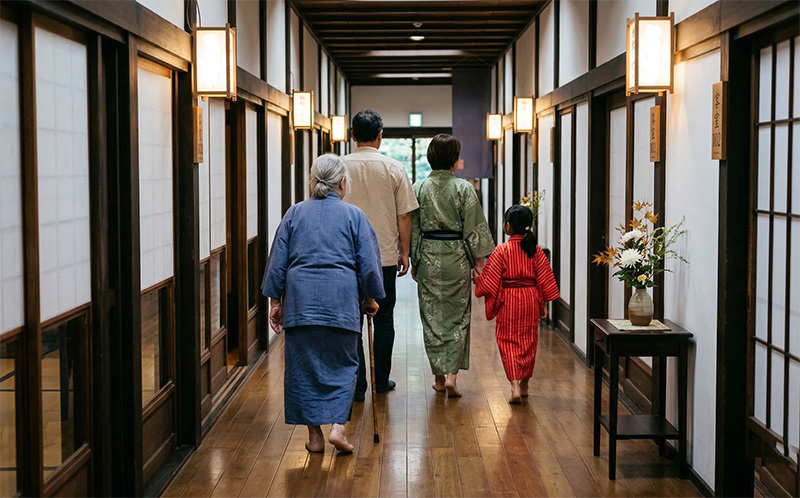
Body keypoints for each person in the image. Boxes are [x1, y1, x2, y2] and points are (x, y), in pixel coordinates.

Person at [261, 154, 385, 453]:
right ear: (342, 182)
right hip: (341, 302)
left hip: (301, 303)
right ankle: (338, 429)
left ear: (313, 181)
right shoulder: (354, 216)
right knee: (344, 365)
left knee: (303, 369)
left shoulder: (294, 214)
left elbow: (277, 262)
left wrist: (275, 302)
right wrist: (369, 297)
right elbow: (368, 265)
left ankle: (315, 437)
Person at [342, 109, 419, 401]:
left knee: (351, 322)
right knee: (384, 318)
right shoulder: (394, 167)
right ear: (380, 136)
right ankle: (380, 380)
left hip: (346, 257)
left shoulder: (339, 167)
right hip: (383, 256)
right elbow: (404, 216)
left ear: (352, 136)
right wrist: (404, 251)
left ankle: (357, 386)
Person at [410, 134, 494, 397]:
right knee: (458, 318)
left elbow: (413, 228)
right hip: (457, 257)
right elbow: (474, 228)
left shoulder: (419, 187)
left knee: (432, 317)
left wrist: (414, 258)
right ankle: (452, 378)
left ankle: (437, 377)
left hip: (429, 257)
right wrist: (478, 263)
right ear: (454, 160)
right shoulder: (464, 188)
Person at [474, 205, 560, 404]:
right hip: (530, 299)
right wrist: (543, 304)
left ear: (507, 227)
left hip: (508, 300)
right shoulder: (535, 250)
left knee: (507, 341)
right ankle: (525, 385)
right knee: (529, 342)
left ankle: (514, 386)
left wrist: (478, 280)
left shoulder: (502, 250)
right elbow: (544, 280)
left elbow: (489, 281)